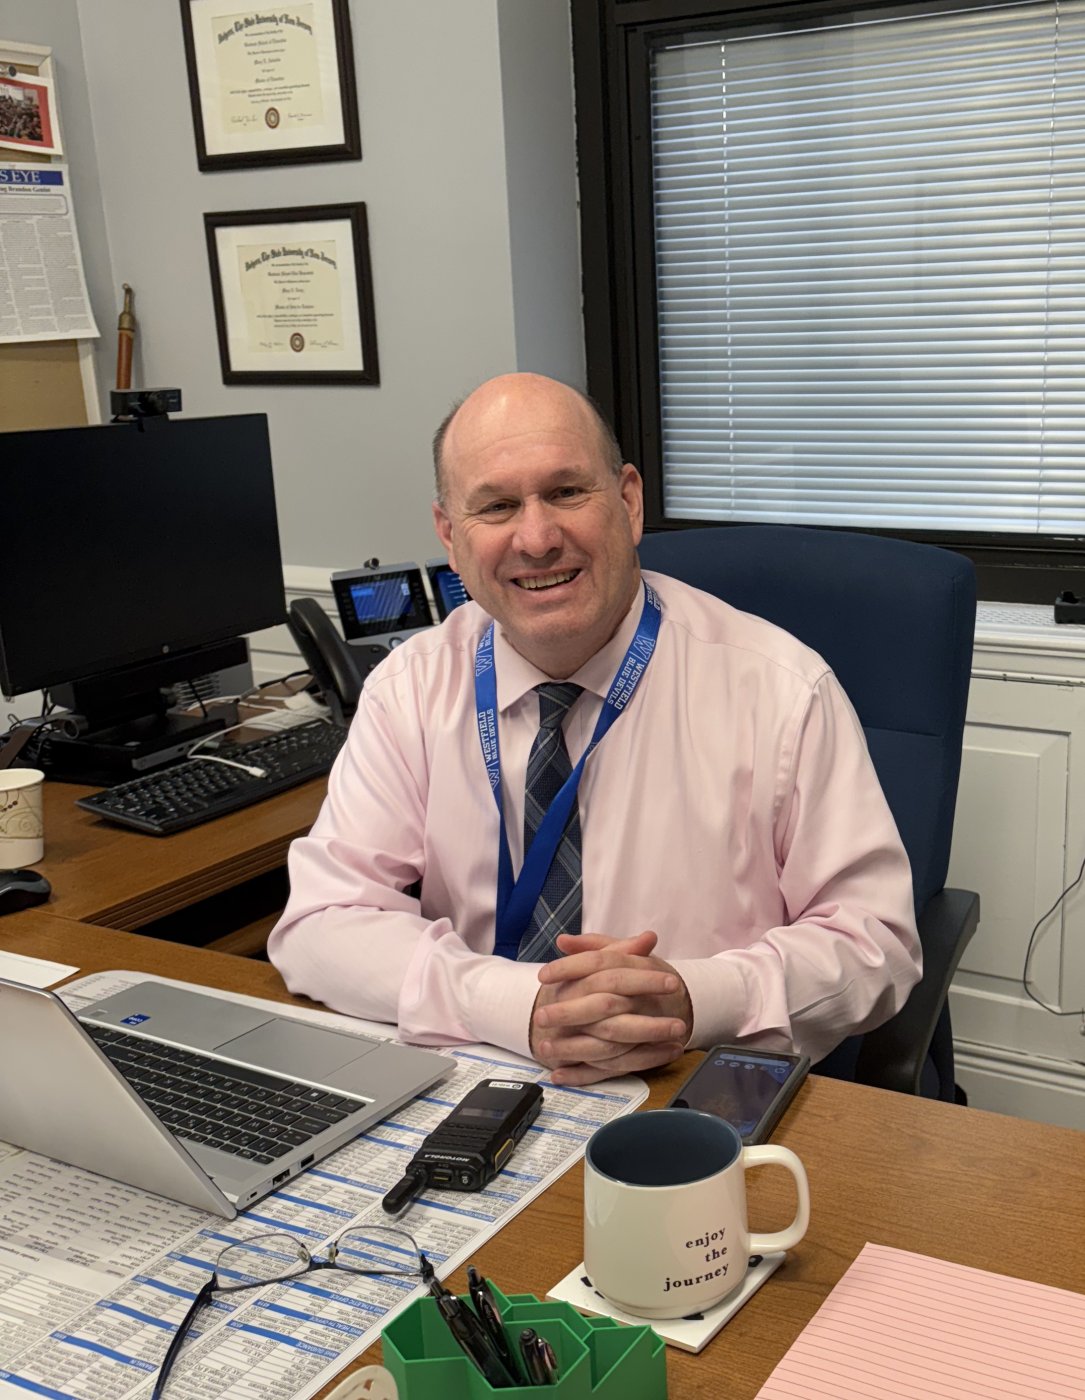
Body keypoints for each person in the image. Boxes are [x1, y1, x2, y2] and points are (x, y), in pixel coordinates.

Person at [268, 374, 920, 1084]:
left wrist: (691, 999)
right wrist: (510, 1003)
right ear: (451, 537)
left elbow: (875, 943)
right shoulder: (409, 690)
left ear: (629, 502)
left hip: (703, 1084)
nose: (537, 537)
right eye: (496, 505)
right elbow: (320, 922)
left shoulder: (780, 690)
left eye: (567, 491)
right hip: (482, 1075)